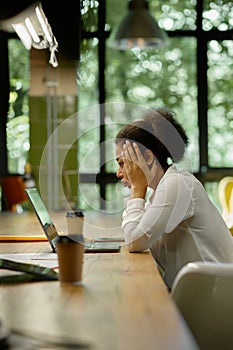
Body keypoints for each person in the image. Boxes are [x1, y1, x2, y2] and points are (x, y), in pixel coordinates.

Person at [115, 106, 233, 290]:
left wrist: (138, 188)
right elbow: (135, 234)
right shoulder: (159, 191)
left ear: (147, 157)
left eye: (123, 163)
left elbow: (134, 241)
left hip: (216, 295)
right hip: (200, 290)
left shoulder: (177, 184)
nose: (119, 172)